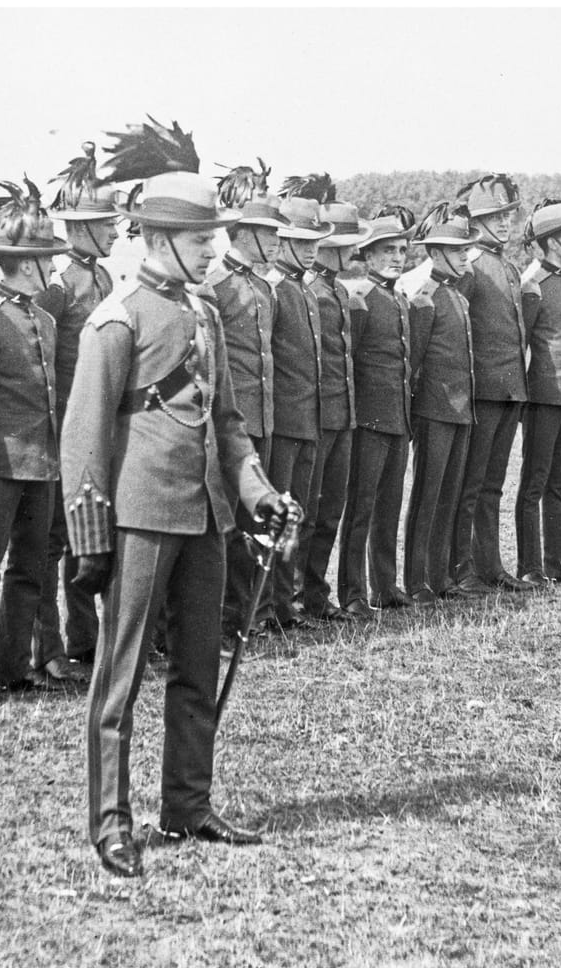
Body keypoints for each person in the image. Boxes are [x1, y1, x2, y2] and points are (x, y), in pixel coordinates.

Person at [62, 120, 296, 878]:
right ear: (162, 238)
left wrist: (256, 491)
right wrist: (91, 536)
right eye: (202, 240)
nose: (214, 251)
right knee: (121, 677)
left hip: (204, 518)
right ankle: (110, 822)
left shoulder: (204, 313)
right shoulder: (116, 318)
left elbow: (227, 422)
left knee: (199, 663)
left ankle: (187, 805)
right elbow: (85, 437)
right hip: (138, 520)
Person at [0, 178, 72, 697]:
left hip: (41, 465)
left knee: (29, 568)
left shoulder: (46, 320)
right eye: (47, 257)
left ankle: (12, 666)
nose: (52, 266)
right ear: (29, 263)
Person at [34, 143, 118, 684]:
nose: (115, 232)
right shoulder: (58, 283)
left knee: (89, 535)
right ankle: (50, 646)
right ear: (82, 227)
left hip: (95, 430)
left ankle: (87, 640)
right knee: (52, 544)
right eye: (107, 222)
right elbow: (36, 357)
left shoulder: (105, 280)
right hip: (58, 430)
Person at [202, 161, 287, 636]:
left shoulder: (261, 287)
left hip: (265, 419)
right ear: (243, 233)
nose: (276, 242)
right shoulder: (214, 287)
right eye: (267, 233)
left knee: (258, 522)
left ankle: (254, 612)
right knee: (230, 527)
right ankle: (228, 616)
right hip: (232, 426)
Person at [452, 174, 534, 595]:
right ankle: (461, 570)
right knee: (471, 486)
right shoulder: (470, 264)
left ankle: (490, 566)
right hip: (481, 392)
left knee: (492, 485)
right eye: (494, 216)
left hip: (509, 390)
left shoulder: (507, 264)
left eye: (507, 215)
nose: (504, 223)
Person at [261, 178, 333, 626]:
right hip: (284, 421)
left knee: (299, 517)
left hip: (309, 420)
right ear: (281, 241)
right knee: (276, 520)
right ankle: (266, 607)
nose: (309, 251)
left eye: (314, 243)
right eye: (299, 242)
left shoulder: (305, 289)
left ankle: (285, 606)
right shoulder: (273, 289)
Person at [338, 207, 414, 614]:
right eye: (387, 251)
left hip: (397, 420)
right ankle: (352, 594)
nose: (397, 257)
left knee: (389, 505)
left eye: (401, 250)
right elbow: (351, 362)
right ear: (368, 257)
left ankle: (384, 587)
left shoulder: (399, 299)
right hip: (368, 421)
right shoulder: (360, 300)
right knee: (361, 507)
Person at [513, 199, 561, 585]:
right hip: (544, 399)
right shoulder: (534, 286)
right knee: (534, 484)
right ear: (551, 241)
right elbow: (521, 345)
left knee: (558, 483)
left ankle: (560, 566)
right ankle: (530, 567)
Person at [402, 202, 478, 602]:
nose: (465, 253)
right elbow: (413, 364)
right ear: (434, 253)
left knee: (449, 495)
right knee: (427, 497)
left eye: (465, 247)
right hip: (434, 412)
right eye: (456, 248)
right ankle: (417, 582)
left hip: (460, 411)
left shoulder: (457, 298)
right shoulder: (424, 299)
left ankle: (440, 577)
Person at [298, 196, 363, 619]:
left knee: (330, 511)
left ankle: (316, 595)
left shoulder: (338, 289)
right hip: (318, 416)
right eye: (348, 244)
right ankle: (294, 597)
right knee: (307, 511)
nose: (355, 252)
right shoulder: (311, 291)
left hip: (342, 416)